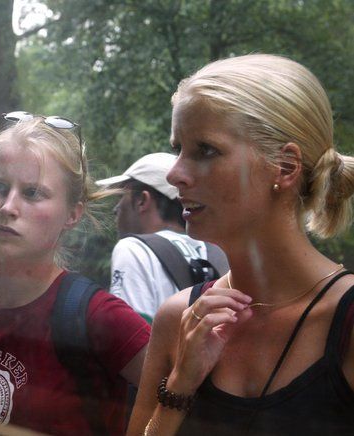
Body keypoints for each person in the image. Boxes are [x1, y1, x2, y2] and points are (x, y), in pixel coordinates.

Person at [127, 53, 354, 436]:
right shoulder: (179, 318)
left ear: (284, 167)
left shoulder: (346, 323)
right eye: (178, 148)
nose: (174, 173)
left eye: (205, 150)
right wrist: (181, 384)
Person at [0, 111, 151, 434]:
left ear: (72, 214)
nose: (8, 207)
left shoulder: (97, 318)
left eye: (32, 193)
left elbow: (188, 406)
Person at [97, 152, 227, 321]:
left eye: (123, 197)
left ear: (142, 201)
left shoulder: (134, 249)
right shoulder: (218, 251)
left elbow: (133, 341)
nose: (117, 208)